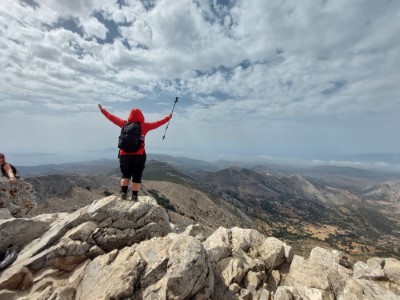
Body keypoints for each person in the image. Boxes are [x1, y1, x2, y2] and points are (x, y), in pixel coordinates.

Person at [98, 104, 172, 201]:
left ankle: (123, 194)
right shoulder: (144, 126)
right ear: (141, 116)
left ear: (130, 116)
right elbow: (158, 123)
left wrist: (103, 110)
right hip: (139, 155)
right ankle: (134, 196)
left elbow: (112, 118)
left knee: (125, 175)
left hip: (124, 155)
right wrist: (168, 117)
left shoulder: (124, 124)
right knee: (136, 176)